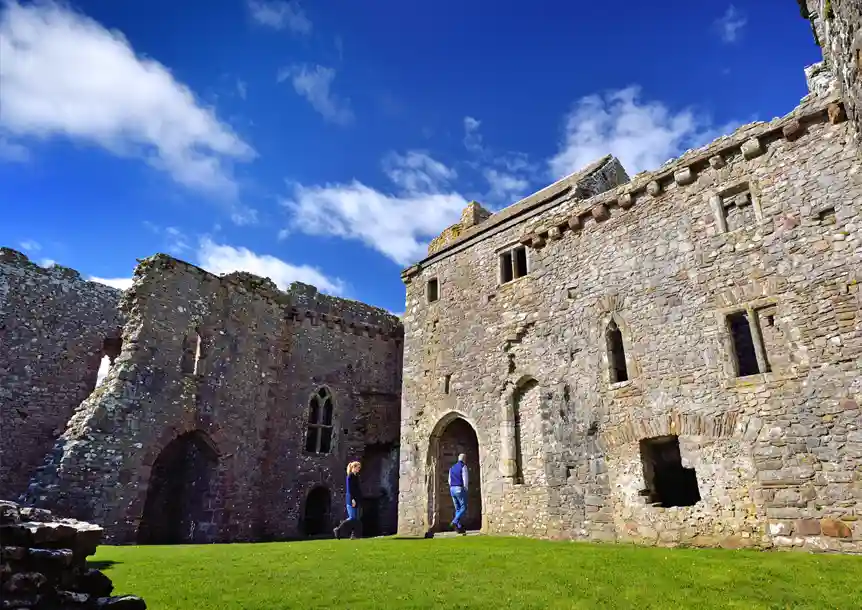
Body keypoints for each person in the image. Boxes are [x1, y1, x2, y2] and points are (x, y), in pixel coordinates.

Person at [334, 461, 363, 540]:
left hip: (356, 498)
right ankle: (338, 530)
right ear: (353, 467)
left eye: (359, 468)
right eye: (358, 467)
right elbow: (350, 489)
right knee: (352, 518)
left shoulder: (355, 476)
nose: (359, 469)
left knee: (355, 518)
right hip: (351, 499)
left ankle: (353, 535)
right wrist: (352, 499)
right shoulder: (350, 476)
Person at [448, 453, 468, 535]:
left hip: (452, 489)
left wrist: (452, 487)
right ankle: (454, 521)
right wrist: (465, 489)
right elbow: (465, 478)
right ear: (464, 459)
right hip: (459, 488)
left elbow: (449, 480)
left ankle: (458, 528)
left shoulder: (451, 468)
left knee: (458, 509)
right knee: (464, 507)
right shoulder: (463, 466)